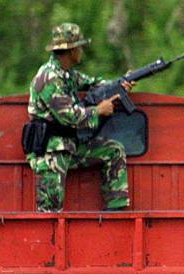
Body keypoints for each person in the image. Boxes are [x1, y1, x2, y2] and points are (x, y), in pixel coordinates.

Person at [26, 23, 131, 211]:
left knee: (114, 151)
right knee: (50, 211)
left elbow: (94, 83)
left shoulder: (67, 74)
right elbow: (69, 116)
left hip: (70, 146)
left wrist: (120, 83)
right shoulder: (48, 77)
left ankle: (116, 213)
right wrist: (98, 110)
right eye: (80, 47)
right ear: (72, 50)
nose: (82, 51)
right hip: (51, 152)